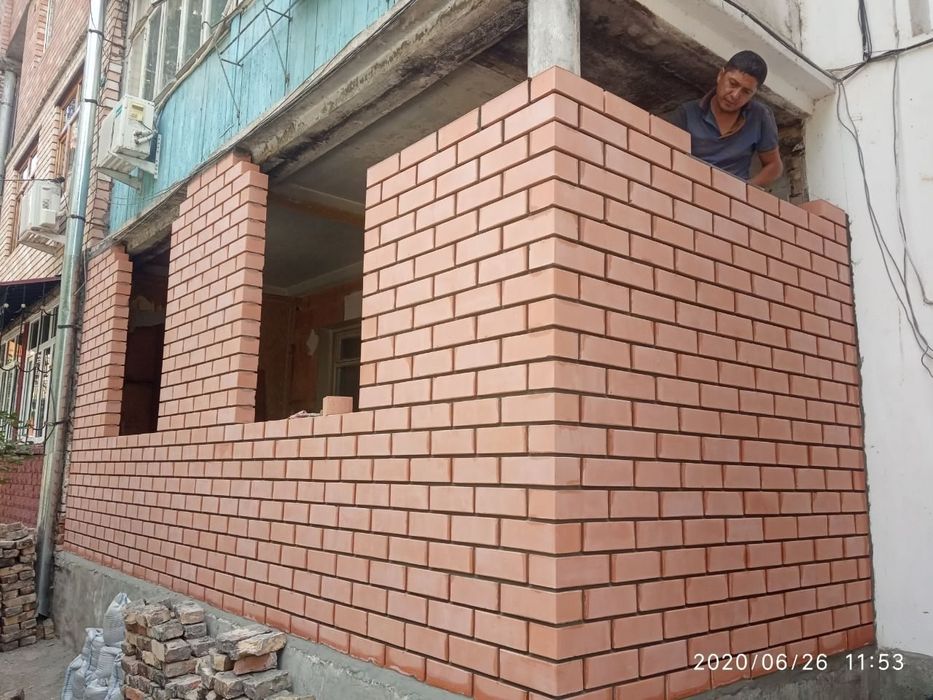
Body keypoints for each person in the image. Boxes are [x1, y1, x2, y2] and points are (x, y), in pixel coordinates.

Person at [671, 50, 783, 187]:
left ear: (753, 93)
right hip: (691, 189)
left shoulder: (760, 116)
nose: (735, 95)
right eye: (733, 83)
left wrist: (745, 191)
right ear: (720, 75)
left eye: (746, 92)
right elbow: (667, 157)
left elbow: (774, 165)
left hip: (735, 196)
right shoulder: (686, 114)